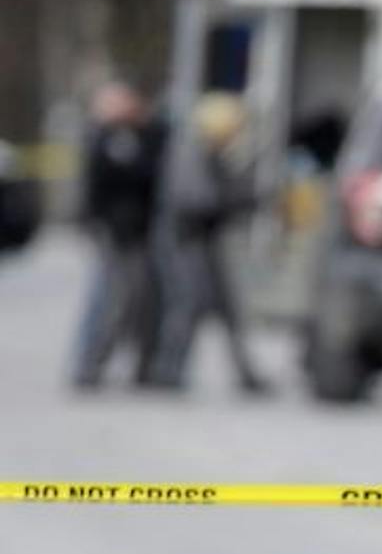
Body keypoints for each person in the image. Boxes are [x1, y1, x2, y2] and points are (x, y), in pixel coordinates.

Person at [148, 92, 272, 394]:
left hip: (204, 241)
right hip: (184, 241)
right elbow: (198, 203)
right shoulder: (189, 153)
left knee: (228, 310)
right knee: (186, 305)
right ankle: (168, 371)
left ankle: (246, 375)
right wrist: (243, 201)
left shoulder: (209, 152)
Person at [69, 81, 167, 389]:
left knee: (137, 302)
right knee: (110, 302)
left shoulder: (135, 136)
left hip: (135, 231)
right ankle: (89, 366)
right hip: (116, 232)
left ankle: (132, 366)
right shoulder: (107, 139)